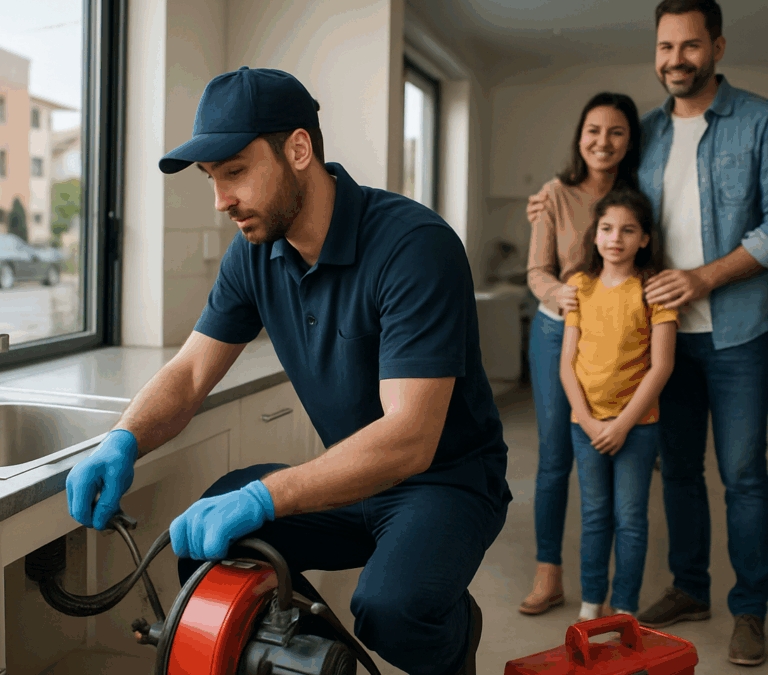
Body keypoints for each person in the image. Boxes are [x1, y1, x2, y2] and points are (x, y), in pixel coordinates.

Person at [65, 66, 512, 675]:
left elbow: (410, 437)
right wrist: (124, 437)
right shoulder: (254, 253)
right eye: (212, 179)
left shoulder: (414, 247)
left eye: (236, 172)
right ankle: (308, 661)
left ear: (298, 149)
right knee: (203, 548)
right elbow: (192, 372)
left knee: (392, 609)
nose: (221, 200)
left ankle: (454, 632)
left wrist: (266, 495)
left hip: (444, 479)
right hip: (350, 474)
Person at [527, 0, 768, 665]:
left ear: (717, 46)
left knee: (741, 472)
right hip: (662, 339)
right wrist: (551, 196)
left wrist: (705, 278)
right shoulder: (644, 133)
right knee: (676, 469)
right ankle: (690, 586)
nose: (675, 59)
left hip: (738, 329)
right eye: (664, 47)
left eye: (689, 45)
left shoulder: (763, 121)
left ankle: (748, 611)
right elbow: (604, 197)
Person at [519, 92, 643, 616]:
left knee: (614, 457)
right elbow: (536, 271)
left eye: (616, 132)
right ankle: (549, 574)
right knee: (554, 460)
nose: (603, 142)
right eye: (593, 130)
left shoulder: (638, 196)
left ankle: (615, 590)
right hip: (557, 334)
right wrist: (558, 293)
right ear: (579, 135)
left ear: (630, 140)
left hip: (617, 342)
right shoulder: (555, 193)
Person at [559, 189, 677, 623]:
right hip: (584, 425)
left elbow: (662, 366)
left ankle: (624, 606)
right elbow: (566, 366)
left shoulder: (653, 289)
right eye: (607, 228)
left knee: (630, 519)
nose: (616, 238)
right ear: (595, 235)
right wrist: (589, 422)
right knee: (594, 517)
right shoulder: (579, 286)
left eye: (629, 230)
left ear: (645, 238)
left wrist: (623, 425)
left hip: (638, 426)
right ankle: (592, 604)